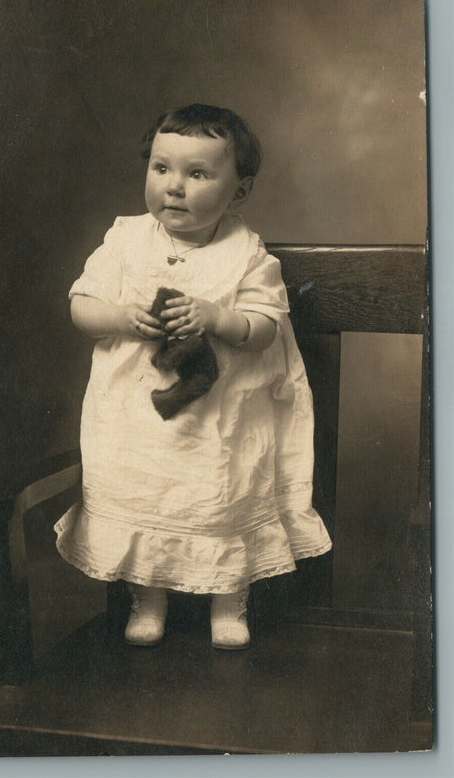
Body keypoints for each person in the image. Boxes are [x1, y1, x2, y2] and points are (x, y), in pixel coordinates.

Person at [54, 103, 332, 649]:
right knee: (141, 494)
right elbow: (81, 307)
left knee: (222, 497)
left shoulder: (247, 254)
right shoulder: (125, 241)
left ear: (240, 192)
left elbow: (264, 327)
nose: (174, 187)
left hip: (219, 422)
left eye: (197, 174)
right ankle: (147, 598)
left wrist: (216, 317)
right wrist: (120, 317)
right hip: (137, 421)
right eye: (161, 169)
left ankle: (229, 601)